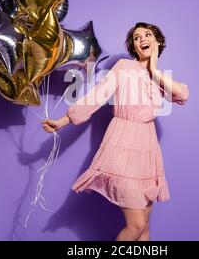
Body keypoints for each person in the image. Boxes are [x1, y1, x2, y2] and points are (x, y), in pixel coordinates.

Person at [41, 22, 189, 241]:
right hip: (122, 142)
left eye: (148, 35)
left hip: (147, 149)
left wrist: (154, 69)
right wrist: (64, 120)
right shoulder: (123, 67)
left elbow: (182, 95)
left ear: (157, 42)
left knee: (145, 226)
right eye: (137, 38)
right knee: (136, 224)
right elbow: (98, 95)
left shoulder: (158, 77)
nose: (142, 40)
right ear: (133, 46)